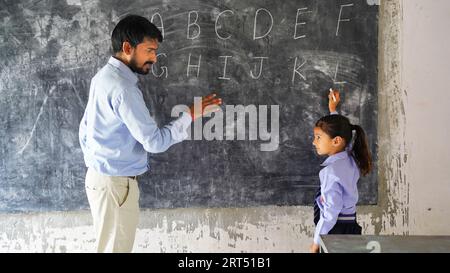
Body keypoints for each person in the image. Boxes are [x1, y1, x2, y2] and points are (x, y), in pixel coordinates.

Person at [78, 15, 221, 253]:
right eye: (150, 51)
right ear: (127, 47)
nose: (154, 58)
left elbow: (84, 130)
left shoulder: (102, 77)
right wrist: (191, 115)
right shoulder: (123, 89)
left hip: (101, 178)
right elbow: (154, 142)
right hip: (114, 186)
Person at [309, 89, 372, 253]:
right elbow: (344, 136)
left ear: (336, 141)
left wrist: (316, 243)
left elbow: (330, 213)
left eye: (318, 137)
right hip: (350, 226)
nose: (314, 142)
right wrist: (332, 110)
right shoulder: (351, 158)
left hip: (334, 231)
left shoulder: (330, 173)